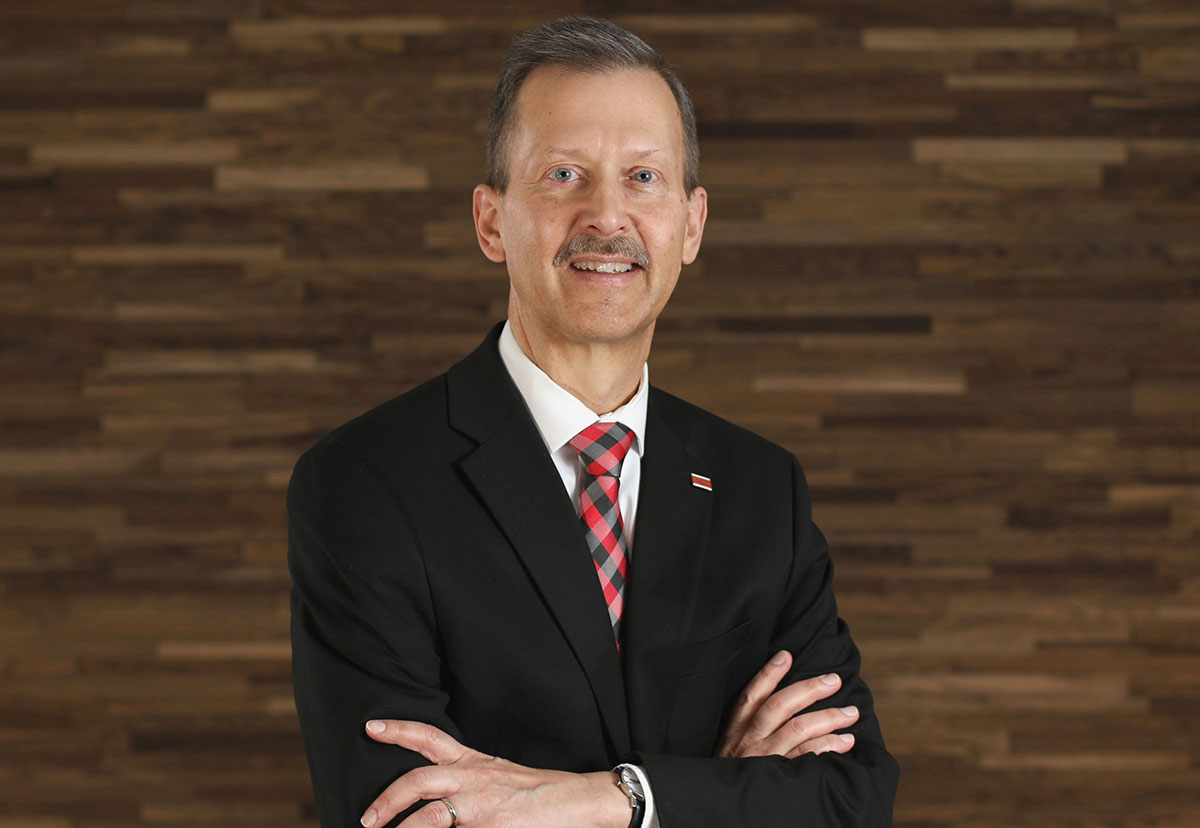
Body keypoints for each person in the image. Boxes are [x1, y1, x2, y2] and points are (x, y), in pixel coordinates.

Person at [288, 17, 899, 828]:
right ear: (491, 221)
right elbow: (404, 816)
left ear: (691, 225)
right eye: (564, 174)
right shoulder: (367, 482)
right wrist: (721, 792)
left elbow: (851, 799)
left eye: (644, 177)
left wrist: (614, 798)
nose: (607, 216)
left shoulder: (762, 489)